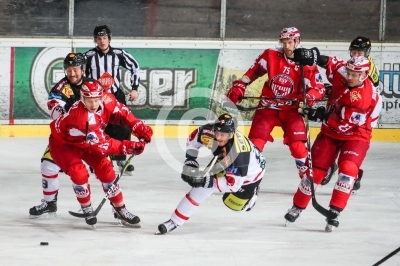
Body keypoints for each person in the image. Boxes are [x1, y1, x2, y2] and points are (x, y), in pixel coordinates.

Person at [284, 48, 381, 232]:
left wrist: (320, 115)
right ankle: (297, 206)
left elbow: (344, 124)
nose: (350, 76)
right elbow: (331, 63)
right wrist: (312, 56)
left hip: (356, 135)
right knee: (314, 175)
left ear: (364, 75)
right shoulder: (343, 72)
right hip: (330, 134)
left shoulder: (363, 98)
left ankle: (335, 211)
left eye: (355, 74)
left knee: (348, 170)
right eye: (349, 72)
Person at [226, 27, 329, 181]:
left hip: (291, 110)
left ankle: (306, 178)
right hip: (268, 107)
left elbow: (319, 89)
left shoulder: (307, 64)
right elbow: (254, 71)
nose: (286, 46)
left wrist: (309, 96)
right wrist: (241, 84)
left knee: (298, 147)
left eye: (290, 42)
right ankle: (248, 177)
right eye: (284, 42)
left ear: (297, 42)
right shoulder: (270, 55)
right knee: (255, 144)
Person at [49, 80, 153, 227]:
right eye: (89, 101)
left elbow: (123, 113)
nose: (94, 105)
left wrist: (138, 127)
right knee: (79, 174)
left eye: (97, 100)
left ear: (102, 96)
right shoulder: (81, 118)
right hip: (64, 144)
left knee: (107, 172)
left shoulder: (107, 99)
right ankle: (86, 207)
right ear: (82, 98)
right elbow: (103, 145)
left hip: (87, 141)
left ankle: (120, 209)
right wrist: (129, 146)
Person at [156, 113, 266, 235]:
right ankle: (174, 221)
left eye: (222, 135)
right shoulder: (210, 131)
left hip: (250, 176)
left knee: (233, 203)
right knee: (200, 189)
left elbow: (232, 185)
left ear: (231, 135)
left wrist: (205, 180)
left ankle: (251, 196)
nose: (218, 137)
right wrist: (190, 161)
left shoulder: (238, 153)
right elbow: (193, 140)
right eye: (217, 132)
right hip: (225, 159)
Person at [29, 52, 96, 218]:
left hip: (92, 137)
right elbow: (55, 110)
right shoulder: (60, 89)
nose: (72, 73)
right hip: (66, 137)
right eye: (69, 70)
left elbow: (106, 108)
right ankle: (50, 203)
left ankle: (118, 208)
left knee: (104, 171)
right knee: (48, 164)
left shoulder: (94, 86)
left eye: (75, 69)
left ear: (83, 69)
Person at [320, 36, 382, 193]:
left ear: (366, 53)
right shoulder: (353, 66)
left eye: (359, 52)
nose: (355, 55)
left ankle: (353, 173)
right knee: (336, 136)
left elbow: (360, 96)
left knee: (353, 141)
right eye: (353, 52)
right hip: (356, 107)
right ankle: (330, 164)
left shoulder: (368, 70)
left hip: (366, 112)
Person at [84, 25, 141, 175]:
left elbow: (134, 67)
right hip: (96, 98)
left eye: (104, 38)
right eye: (99, 38)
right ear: (95, 40)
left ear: (109, 38)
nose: (102, 41)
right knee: (98, 127)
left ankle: (121, 159)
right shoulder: (89, 56)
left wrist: (134, 88)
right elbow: (81, 75)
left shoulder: (119, 54)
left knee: (123, 125)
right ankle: (98, 158)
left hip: (115, 95)